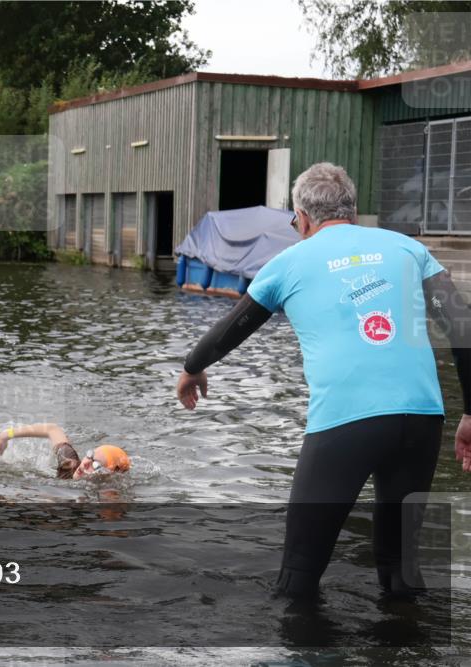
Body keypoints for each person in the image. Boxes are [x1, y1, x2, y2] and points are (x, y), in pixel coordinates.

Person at [177, 162, 471, 600]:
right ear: (351, 209)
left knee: (298, 576)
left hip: (346, 421)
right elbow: (463, 328)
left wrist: (192, 367)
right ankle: (407, 634)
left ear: (302, 218)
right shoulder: (408, 248)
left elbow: (229, 331)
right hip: (422, 418)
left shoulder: (287, 262)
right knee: (400, 569)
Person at [0, 423, 131, 479]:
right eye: (89, 456)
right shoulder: (70, 464)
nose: (85, 464)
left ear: (110, 475)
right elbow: (52, 430)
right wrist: (6, 434)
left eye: (96, 465)